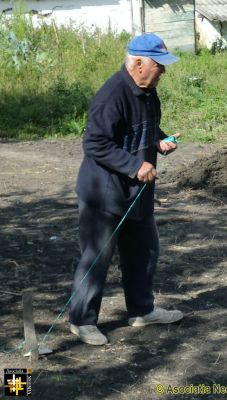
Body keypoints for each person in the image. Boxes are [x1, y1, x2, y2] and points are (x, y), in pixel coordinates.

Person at [69, 33, 183, 345]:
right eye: (159, 65)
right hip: (103, 193)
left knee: (144, 251)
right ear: (137, 63)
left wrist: (159, 141)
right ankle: (82, 321)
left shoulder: (148, 93)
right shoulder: (112, 95)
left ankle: (142, 310)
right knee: (96, 258)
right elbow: (94, 143)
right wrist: (134, 166)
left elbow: (144, 127)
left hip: (137, 194)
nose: (163, 71)